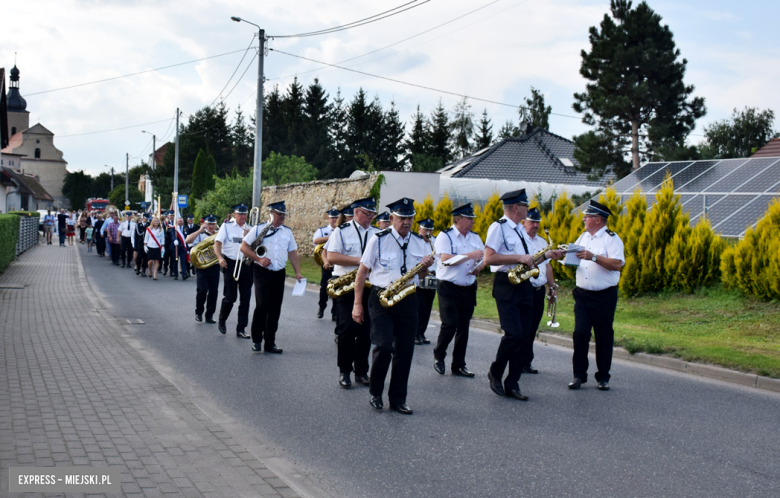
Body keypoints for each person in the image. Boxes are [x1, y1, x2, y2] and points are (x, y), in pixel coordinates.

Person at [353, 198, 434, 415]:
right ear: (391, 218)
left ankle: (398, 398)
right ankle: (376, 392)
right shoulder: (378, 239)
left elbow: (422, 275)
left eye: (410, 218)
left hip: (408, 298)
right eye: (402, 218)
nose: (406, 222)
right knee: (385, 346)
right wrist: (357, 304)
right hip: (382, 298)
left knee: (405, 350)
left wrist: (426, 268)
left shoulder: (420, 241)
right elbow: (362, 273)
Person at [483, 190, 561, 401]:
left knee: (525, 336)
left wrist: (546, 255)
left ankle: (513, 382)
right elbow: (488, 258)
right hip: (506, 283)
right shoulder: (498, 227)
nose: (528, 210)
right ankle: (496, 371)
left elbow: (529, 259)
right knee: (514, 333)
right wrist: (519, 257)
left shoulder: (519, 230)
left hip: (524, 284)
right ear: (516, 207)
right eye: (525, 206)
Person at [562, 200, 625, 391]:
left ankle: (603, 377)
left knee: (603, 336)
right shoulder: (583, 237)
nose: (583, 219)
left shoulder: (611, 239)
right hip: (582, 295)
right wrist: (564, 256)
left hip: (604, 296)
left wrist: (594, 257)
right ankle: (579, 375)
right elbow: (576, 259)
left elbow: (617, 265)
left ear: (598, 219)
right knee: (580, 334)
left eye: (587, 216)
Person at [325, 198, 379, 388]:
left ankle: (361, 371)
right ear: (356, 212)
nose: (371, 217)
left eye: (373, 213)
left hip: (369, 286)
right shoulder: (342, 231)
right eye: (367, 213)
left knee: (366, 331)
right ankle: (344, 371)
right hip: (346, 286)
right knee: (347, 329)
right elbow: (331, 256)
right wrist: (361, 261)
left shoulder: (377, 233)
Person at [241, 201, 302, 354]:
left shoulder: (287, 232)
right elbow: (243, 247)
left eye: (284, 215)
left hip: (278, 272)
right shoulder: (259, 229)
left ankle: (270, 342)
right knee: (262, 304)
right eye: (279, 214)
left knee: (275, 308)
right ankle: (256, 339)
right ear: (271, 214)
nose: (282, 217)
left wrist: (298, 272)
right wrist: (258, 259)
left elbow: (292, 252)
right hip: (261, 271)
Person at [432, 203, 485, 378]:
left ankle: (459, 364)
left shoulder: (475, 237)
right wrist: (470, 256)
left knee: (464, 327)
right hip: (448, 286)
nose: (472, 222)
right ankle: (439, 354)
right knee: (450, 324)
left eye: (472, 219)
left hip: (468, 286)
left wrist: (479, 267)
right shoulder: (445, 236)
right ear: (458, 219)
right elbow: (446, 259)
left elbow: (483, 257)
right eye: (469, 219)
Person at [521, 207, 556, 374]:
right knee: (522, 327)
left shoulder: (542, 242)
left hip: (538, 290)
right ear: (523, 222)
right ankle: (517, 360)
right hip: (524, 289)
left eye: (537, 222)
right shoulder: (520, 240)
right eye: (532, 221)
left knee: (533, 327)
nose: (535, 225)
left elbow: (547, 266)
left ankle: (526, 360)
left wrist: (552, 286)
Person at [215, 204, 253, 338]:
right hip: (230, 263)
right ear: (235, 214)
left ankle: (241, 329)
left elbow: (256, 247)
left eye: (245, 214)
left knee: (246, 298)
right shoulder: (226, 227)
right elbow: (217, 244)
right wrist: (220, 258)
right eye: (240, 214)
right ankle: (222, 320)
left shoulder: (251, 228)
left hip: (246, 264)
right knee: (230, 297)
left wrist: (251, 238)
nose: (243, 217)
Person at [186, 214, 220, 324]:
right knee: (202, 290)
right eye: (208, 224)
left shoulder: (219, 235)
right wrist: (200, 230)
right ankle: (199, 313)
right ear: (204, 224)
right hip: (201, 267)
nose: (211, 226)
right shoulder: (200, 235)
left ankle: (209, 315)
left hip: (214, 267)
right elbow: (188, 241)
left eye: (213, 224)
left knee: (213, 292)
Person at [313, 209, 340, 320]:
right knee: (324, 287)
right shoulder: (322, 230)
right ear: (328, 219)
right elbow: (316, 240)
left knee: (337, 288)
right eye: (332, 218)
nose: (334, 220)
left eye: (336, 217)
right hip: (326, 263)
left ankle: (335, 312)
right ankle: (321, 307)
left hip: (338, 264)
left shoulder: (341, 230)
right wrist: (331, 237)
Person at [414, 217, 437, 345]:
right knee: (418, 307)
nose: (428, 232)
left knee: (427, 307)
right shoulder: (415, 240)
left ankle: (422, 332)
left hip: (431, 277)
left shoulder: (435, 241)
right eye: (425, 229)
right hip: (419, 276)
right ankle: (415, 333)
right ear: (419, 229)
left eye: (430, 229)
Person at [162, 210, 176, 275]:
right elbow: (163, 232)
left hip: (173, 242)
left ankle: (172, 270)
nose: (172, 216)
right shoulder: (165, 223)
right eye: (170, 215)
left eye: (173, 215)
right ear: (168, 216)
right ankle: (165, 268)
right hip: (167, 241)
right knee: (166, 256)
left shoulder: (175, 223)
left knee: (172, 257)